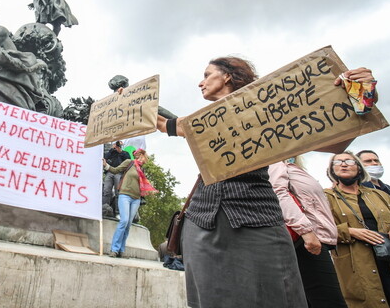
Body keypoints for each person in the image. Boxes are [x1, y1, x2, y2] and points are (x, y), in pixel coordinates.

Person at [156, 57, 371, 307]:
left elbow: (336, 140)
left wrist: (361, 96)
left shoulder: (269, 111)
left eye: (207, 74)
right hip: (202, 220)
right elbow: (162, 122)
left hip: (257, 218)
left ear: (227, 76)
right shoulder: (200, 122)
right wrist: (129, 103)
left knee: (275, 296)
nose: (200, 82)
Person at [268, 157, 347, 307]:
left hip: (313, 238)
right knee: (329, 301)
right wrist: (306, 232)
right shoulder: (276, 162)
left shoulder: (291, 166)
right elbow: (278, 193)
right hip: (306, 240)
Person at [324, 151, 390, 307]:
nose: (343, 164)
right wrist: (350, 231)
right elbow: (320, 229)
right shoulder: (326, 197)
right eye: (337, 162)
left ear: (359, 168)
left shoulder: (379, 195)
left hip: (389, 257)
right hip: (357, 264)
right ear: (332, 171)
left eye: (349, 161)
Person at [103, 148, 155, 257]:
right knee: (124, 221)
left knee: (128, 225)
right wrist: (106, 165)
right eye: (145, 158)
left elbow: (142, 185)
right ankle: (114, 249)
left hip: (136, 198)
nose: (146, 160)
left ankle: (121, 250)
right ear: (140, 156)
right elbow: (116, 170)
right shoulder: (129, 163)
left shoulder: (142, 170)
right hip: (125, 195)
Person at [102, 140, 131, 212]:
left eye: (119, 144)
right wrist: (112, 149)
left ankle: (118, 211)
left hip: (119, 173)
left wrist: (120, 151)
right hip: (109, 172)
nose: (117, 145)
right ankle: (104, 208)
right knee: (106, 190)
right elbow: (105, 158)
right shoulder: (112, 152)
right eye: (116, 144)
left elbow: (128, 160)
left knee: (118, 192)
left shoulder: (124, 153)